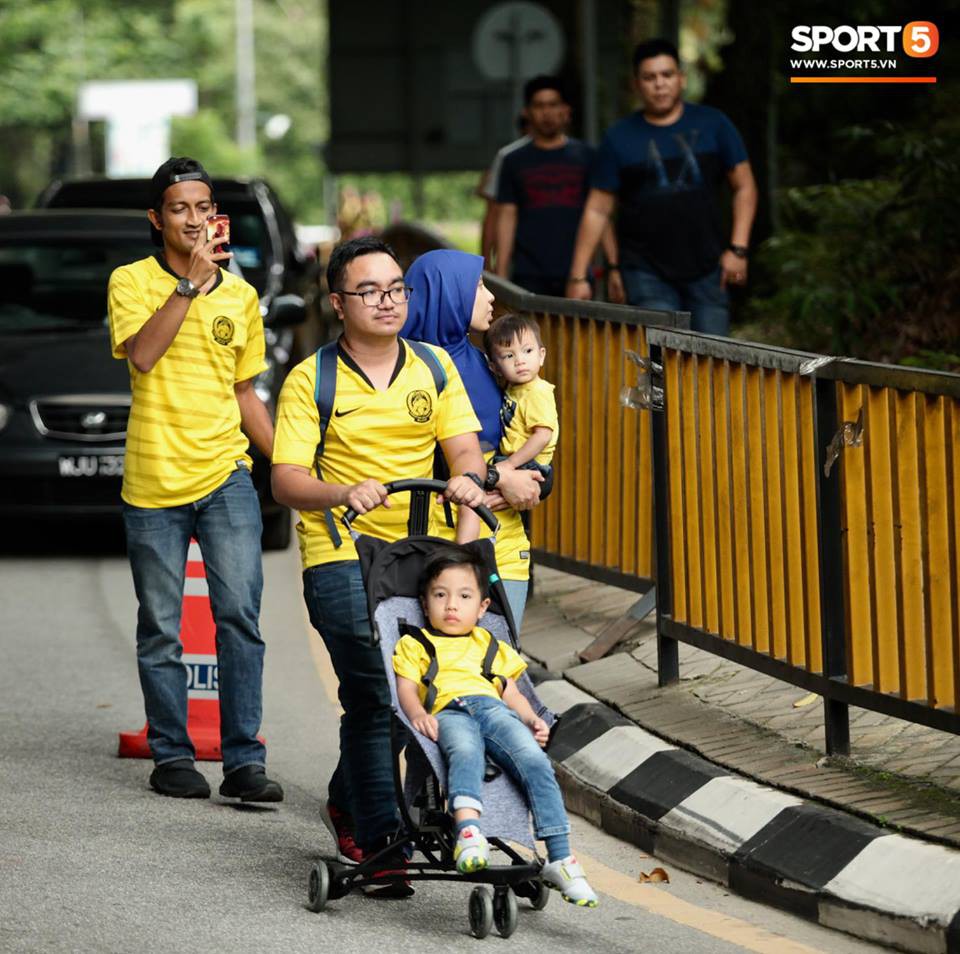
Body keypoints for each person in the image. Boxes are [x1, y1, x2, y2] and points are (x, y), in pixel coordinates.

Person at [270, 236, 487, 895]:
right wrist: (342, 492)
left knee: (412, 690)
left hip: (420, 556)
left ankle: (350, 799)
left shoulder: (433, 368)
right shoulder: (313, 379)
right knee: (374, 688)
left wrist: (467, 549)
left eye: (397, 288)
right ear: (338, 303)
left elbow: (467, 461)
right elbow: (284, 480)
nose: (388, 301)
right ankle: (383, 840)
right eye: (370, 291)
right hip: (340, 552)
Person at [107, 156, 282, 802]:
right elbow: (145, 355)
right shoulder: (130, 281)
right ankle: (172, 754)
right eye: (178, 208)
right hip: (153, 484)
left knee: (241, 618)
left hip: (226, 476)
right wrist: (188, 288)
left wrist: (289, 469)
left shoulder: (240, 296)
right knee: (161, 625)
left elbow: (247, 393)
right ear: (158, 219)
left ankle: (244, 762)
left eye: (202, 208)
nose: (192, 219)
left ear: (215, 215)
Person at [393, 546, 599, 907]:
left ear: (483, 608)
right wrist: (416, 714)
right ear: (425, 605)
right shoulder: (416, 643)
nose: (452, 605)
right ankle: (469, 832)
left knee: (535, 762)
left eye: (464, 596)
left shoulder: (489, 644)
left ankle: (561, 858)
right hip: (448, 711)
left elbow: (512, 692)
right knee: (465, 752)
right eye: (440, 596)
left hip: (493, 711)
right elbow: (406, 688)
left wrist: (532, 717)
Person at [566, 39, 758, 335]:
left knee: (714, 364)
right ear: (636, 84)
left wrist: (739, 249)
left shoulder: (714, 124)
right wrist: (579, 277)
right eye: (650, 77)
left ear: (681, 78)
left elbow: (744, 186)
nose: (660, 84)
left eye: (667, 75)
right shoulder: (618, 138)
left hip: (708, 268)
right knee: (661, 365)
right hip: (645, 272)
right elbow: (597, 209)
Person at [402, 249, 544, 630]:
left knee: (495, 665)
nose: (491, 296)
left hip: (502, 540)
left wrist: (529, 479)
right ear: (447, 294)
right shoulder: (406, 369)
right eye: (478, 285)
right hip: (432, 546)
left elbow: (526, 438)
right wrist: (501, 478)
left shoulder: (486, 362)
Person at [495, 76, 619, 299]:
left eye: (553, 104)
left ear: (565, 109)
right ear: (527, 112)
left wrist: (613, 266)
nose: (547, 113)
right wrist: (501, 274)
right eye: (539, 106)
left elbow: (601, 213)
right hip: (528, 274)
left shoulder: (588, 156)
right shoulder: (513, 161)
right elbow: (506, 216)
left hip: (577, 272)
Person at [477, 115, 531, 270]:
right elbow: (494, 215)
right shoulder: (509, 157)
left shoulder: (579, 154)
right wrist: (487, 265)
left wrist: (487, 265)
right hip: (520, 264)